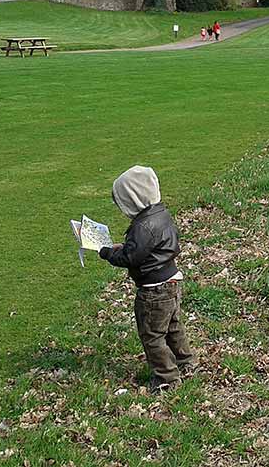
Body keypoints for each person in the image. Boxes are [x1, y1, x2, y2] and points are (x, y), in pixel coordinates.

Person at [99, 165, 195, 392]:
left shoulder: (143, 226)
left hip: (153, 290)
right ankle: (186, 362)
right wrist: (125, 247)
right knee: (173, 327)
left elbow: (131, 256)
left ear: (133, 200)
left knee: (152, 335)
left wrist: (107, 252)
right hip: (171, 280)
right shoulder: (160, 214)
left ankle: (166, 378)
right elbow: (148, 249)